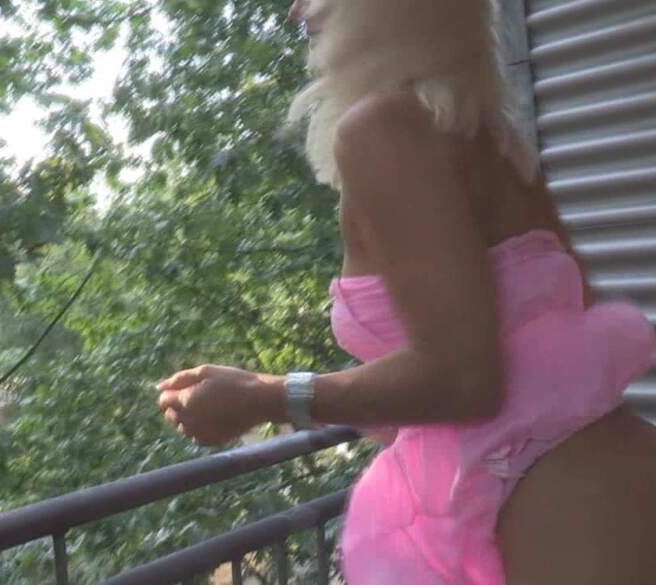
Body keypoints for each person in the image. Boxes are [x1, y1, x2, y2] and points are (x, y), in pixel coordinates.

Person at [157, 0, 656, 583]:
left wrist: (265, 397)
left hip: (562, 515)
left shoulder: (383, 129)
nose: (297, 10)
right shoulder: (484, 133)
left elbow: (466, 381)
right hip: (595, 491)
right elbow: (565, 325)